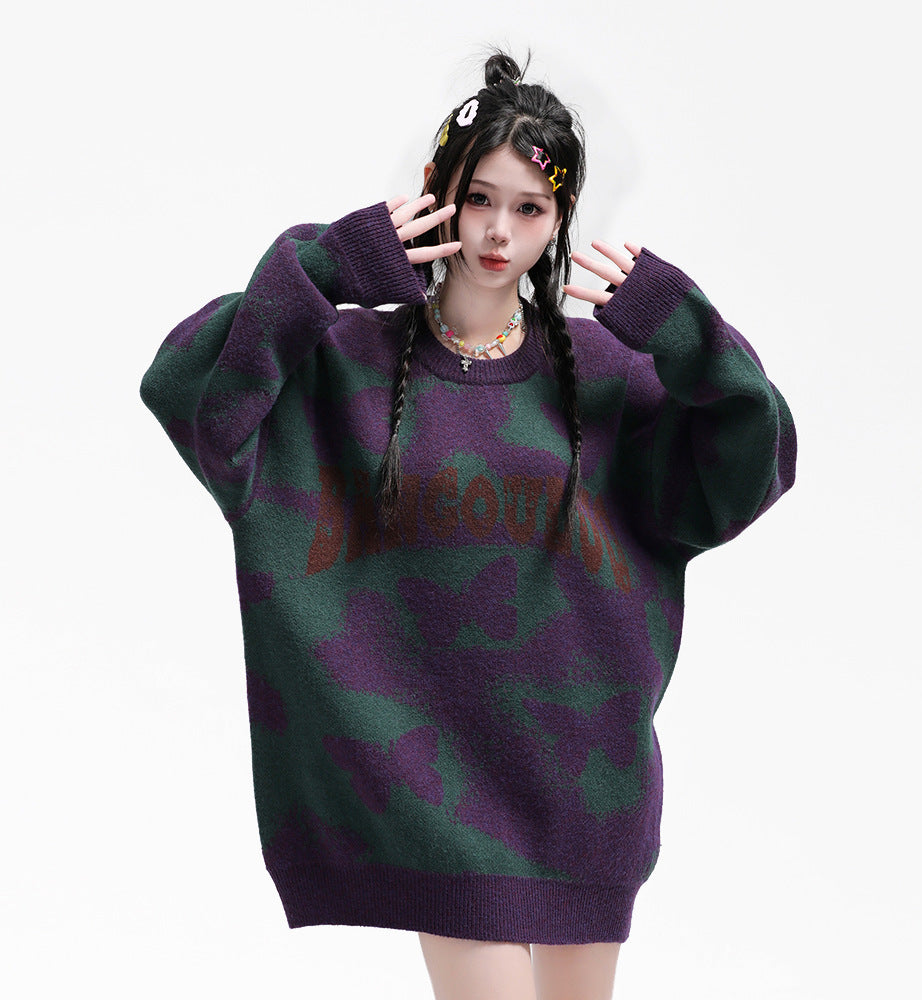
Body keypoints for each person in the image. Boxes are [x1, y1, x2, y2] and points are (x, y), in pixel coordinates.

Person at [139, 47, 796, 1000]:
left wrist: (686, 336)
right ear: (435, 190)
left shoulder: (607, 376)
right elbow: (189, 389)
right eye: (478, 197)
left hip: (585, 789)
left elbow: (750, 467)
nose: (497, 231)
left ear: (560, 220)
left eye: (529, 209)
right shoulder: (345, 362)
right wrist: (321, 269)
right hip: (434, 802)